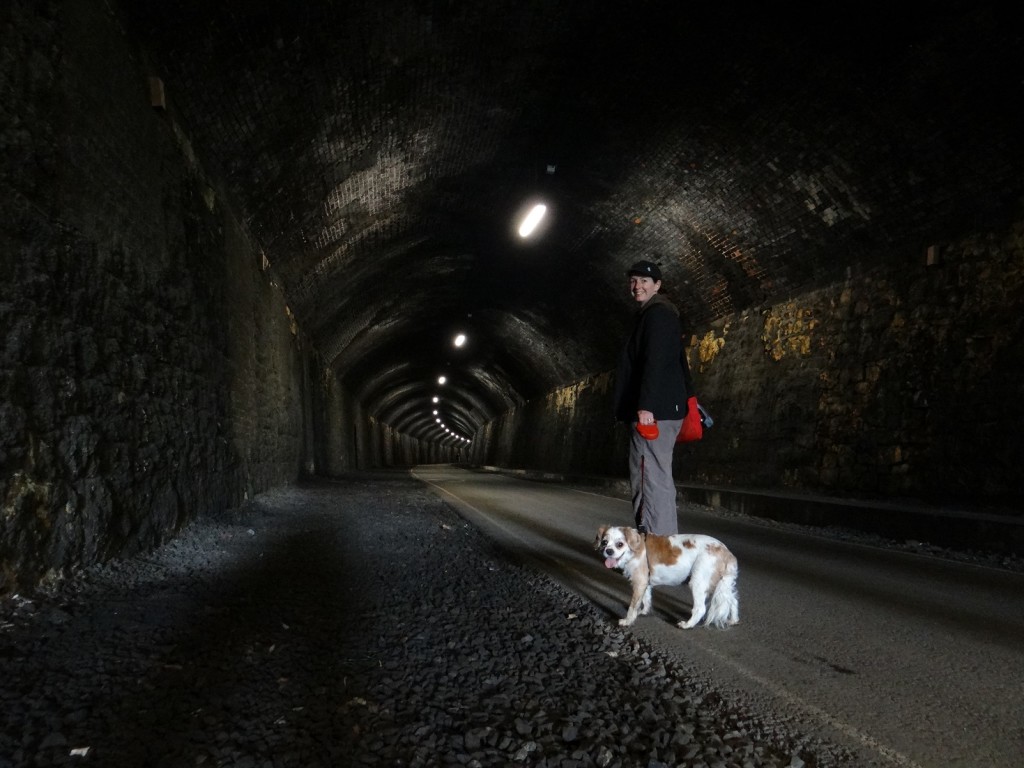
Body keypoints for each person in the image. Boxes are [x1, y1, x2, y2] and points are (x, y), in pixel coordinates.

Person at [613, 260, 690, 536]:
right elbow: (679, 362)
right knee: (658, 478)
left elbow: (654, 362)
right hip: (666, 408)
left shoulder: (656, 315)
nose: (637, 286)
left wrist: (646, 405)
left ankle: (655, 548)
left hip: (653, 412)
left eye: (644, 281)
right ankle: (665, 545)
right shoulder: (662, 315)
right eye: (633, 281)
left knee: (648, 479)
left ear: (657, 285)